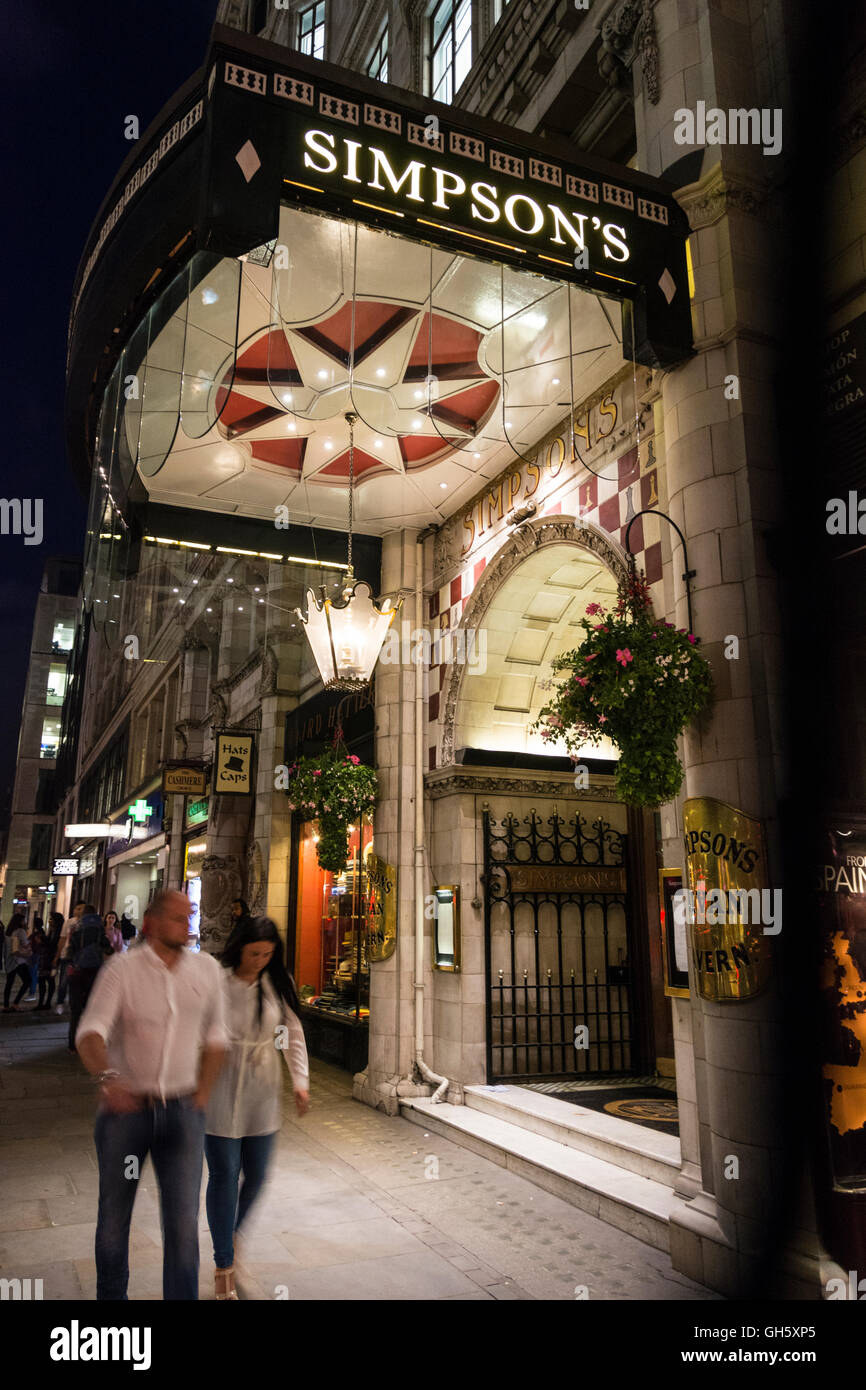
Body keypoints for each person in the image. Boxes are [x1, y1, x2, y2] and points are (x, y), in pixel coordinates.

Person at [76, 890, 229, 1301]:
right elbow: (90, 1032)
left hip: (183, 1114)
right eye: (178, 917)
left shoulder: (206, 970)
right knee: (114, 1218)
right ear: (151, 922)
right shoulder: (122, 970)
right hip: (127, 1117)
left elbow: (218, 1038)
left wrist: (202, 1095)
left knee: (182, 1224)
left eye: (190, 915)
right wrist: (109, 1080)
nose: (188, 923)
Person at [204, 915, 309, 1301]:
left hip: (262, 1092)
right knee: (224, 1175)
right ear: (239, 948)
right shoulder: (218, 981)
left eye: (267, 954)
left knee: (259, 1174)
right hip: (220, 1088)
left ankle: (233, 1237)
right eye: (254, 953)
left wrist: (301, 1081)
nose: (260, 960)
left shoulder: (275, 983)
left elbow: (291, 1032)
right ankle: (224, 1266)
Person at [67, 907, 113, 1052]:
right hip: (94, 973)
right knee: (91, 1009)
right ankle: (87, 1042)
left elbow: (70, 953)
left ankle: (72, 1044)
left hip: (78, 972)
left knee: (75, 1011)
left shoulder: (77, 931)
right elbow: (109, 950)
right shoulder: (100, 932)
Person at [53, 902, 86, 1014]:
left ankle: (75, 1003)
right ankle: (60, 1002)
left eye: (81, 909)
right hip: (67, 955)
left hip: (81, 957)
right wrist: (57, 956)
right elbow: (62, 939)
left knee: (78, 982)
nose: (78, 911)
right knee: (64, 981)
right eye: (77, 908)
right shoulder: (69, 922)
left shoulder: (87, 923)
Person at [2, 914, 32, 1011]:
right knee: (28, 981)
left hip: (9, 960)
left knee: (9, 983)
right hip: (19, 960)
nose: (24, 922)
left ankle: (6, 1006)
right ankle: (15, 1003)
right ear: (20, 921)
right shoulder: (20, 931)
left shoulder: (8, 931)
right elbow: (25, 944)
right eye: (23, 920)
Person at [37, 913, 64, 1010]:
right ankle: (41, 1002)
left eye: (52, 919)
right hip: (45, 958)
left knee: (50, 980)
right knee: (42, 979)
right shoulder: (52, 930)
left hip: (52, 958)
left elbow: (53, 945)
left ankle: (47, 1002)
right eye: (50, 919)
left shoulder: (59, 932)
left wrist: (43, 939)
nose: (50, 921)